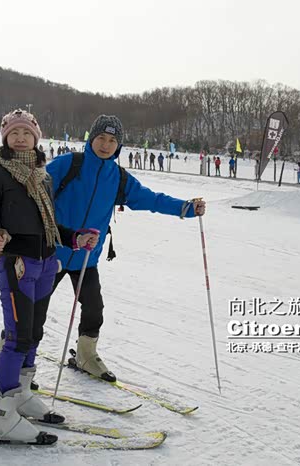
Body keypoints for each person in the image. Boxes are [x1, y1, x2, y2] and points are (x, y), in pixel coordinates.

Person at [46, 115, 206, 381]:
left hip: (87, 257)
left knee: (94, 308)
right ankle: (7, 358)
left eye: (112, 141)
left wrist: (185, 208)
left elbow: (150, 199)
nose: (105, 145)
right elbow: (34, 189)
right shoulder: (68, 164)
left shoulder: (118, 178)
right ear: (91, 139)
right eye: (101, 138)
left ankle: (86, 355)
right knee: (31, 306)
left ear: (118, 146)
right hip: (52, 252)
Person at [0, 109, 99, 443]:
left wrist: (75, 238)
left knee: (35, 333)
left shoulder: (42, 177)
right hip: (16, 263)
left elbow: (50, 224)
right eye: (14, 133)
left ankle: (21, 393)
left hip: (46, 263)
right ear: (5, 138)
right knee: (18, 337)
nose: (20, 138)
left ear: (35, 138)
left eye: (26, 133)